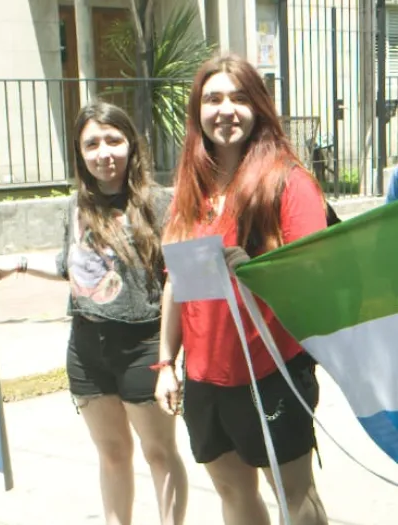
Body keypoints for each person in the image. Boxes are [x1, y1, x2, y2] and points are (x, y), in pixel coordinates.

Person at [0, 101, 188, 525]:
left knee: (159, 453)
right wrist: (18, 265)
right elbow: (72, 268)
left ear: (131, 145)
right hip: (86, 348)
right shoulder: (78, 205)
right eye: (92, 143)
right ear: (80, 152)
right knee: (112, 454)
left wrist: (168, 361)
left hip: (143, 346)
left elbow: (177, 281)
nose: (104, 153)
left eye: (113, 140)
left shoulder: (160, 202)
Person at [155, 54, 328, 525]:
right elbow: (176, 282)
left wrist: (259, 270)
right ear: (198, 111)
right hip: (205, 378)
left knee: (296, 498)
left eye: (238, 97)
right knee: (233, 494)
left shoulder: (287, 182)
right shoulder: (192, 188)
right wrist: (166, 363)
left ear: (258, 108)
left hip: (271, 371)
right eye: (213, 98)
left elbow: (314, 275)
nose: (225, 109)